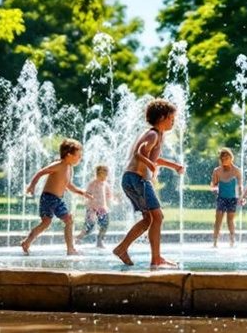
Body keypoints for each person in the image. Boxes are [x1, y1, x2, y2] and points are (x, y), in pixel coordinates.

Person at [113, 99, 186, 267]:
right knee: (157, 217)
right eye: (171, 118)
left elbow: (151, 156)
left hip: (132, 178)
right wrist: (151, 166)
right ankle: (154, 258)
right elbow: (139, 153)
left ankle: (123, 249)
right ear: (161, 117)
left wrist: (173, 166)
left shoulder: (157, 135)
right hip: (137, 179)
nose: (173, 122)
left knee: (149, 219)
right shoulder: (152, 134)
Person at [20, 138, 89, 256]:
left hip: (58, 199)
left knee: (68, 220)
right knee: (47, 223)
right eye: (78, 155)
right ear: (69, 155)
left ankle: (70, 249)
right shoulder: (59, 165)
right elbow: (41, 172)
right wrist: (32, 185)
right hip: (48, 198)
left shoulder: (69, 168)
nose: (80, 158)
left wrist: (81, 192)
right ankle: (27, 242)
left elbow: (68, 185)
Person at [75, 165, 114, 249]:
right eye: (105, 173)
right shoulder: (92, 183)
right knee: (89, 226)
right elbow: (87, 193)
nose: (107, 176)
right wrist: (89, 196)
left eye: (107, 174)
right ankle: (79, 238)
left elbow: (109, 194)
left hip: (102, 208)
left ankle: (100, 241)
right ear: (98, 174)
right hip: (92, 208)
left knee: (104, 224)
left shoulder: (106, 184)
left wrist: (111, 197)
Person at [211, 147, 243, 247]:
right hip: (221, 198)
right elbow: (214, 185)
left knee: (230, 220)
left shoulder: (237, 170)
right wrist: (215, 190)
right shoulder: (217, 171)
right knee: (218, 220)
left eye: (226, 157)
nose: (224, 160)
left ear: (231, 157)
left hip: (232, 198)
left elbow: (240, 186)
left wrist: (241, 197)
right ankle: (215, 242)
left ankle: (232, 241)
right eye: (222, 158)